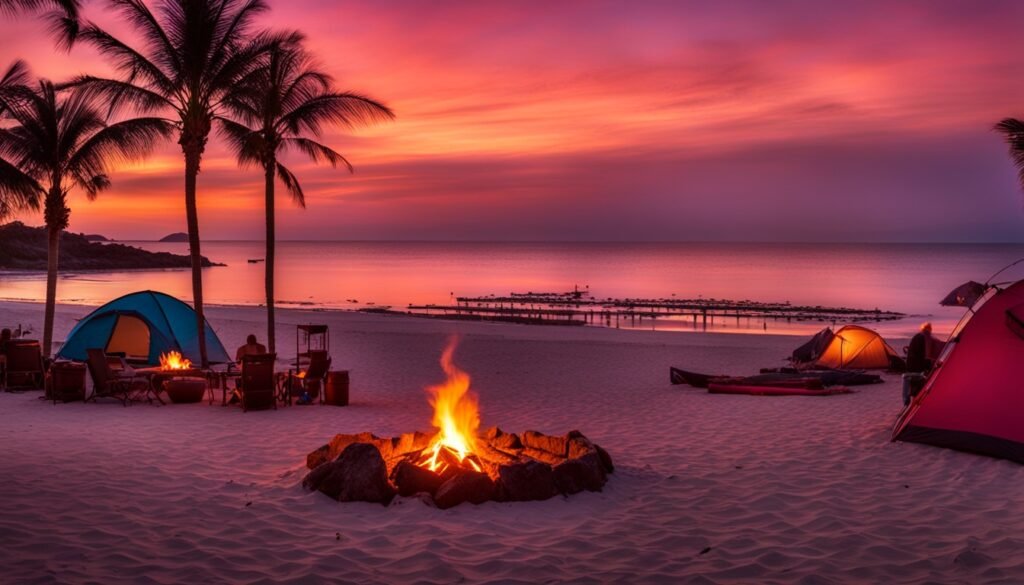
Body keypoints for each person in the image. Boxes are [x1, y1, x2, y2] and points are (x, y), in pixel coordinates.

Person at [903, 322, 941, 406]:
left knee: (913, 390)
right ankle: (914, 406)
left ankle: (910, 406)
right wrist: (930, 363)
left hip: (910, 367)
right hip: (917, 369)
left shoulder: (918, 336)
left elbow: (918, 354)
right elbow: (923, 356)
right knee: (918, 390)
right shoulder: (925, 338)